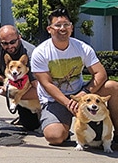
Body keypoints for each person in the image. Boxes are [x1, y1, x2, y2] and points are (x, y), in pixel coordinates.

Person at [31, 8, 118, 145]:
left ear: (71, 27)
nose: (62, 28)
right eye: (58, 25)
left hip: (82, 94)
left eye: (66, 25)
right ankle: (66, 129)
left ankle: (117, 136)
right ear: (49, 29)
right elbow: (47, 84)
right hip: (55, 100)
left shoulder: (83, 48)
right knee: (54, 137)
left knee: (113, 86)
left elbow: (100, 74)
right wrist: (68, 103)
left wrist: (83, 95)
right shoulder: (40, 52)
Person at [0, 25, 39, 131]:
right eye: (5, 43)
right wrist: (4, 80)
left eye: (12, 42)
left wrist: (10, 94)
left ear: (19, 38)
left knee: (31, 126)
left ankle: (23, 116)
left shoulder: (30, 53)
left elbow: (39, 90)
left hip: (24, 89)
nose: (9, 46)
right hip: (6, 79)